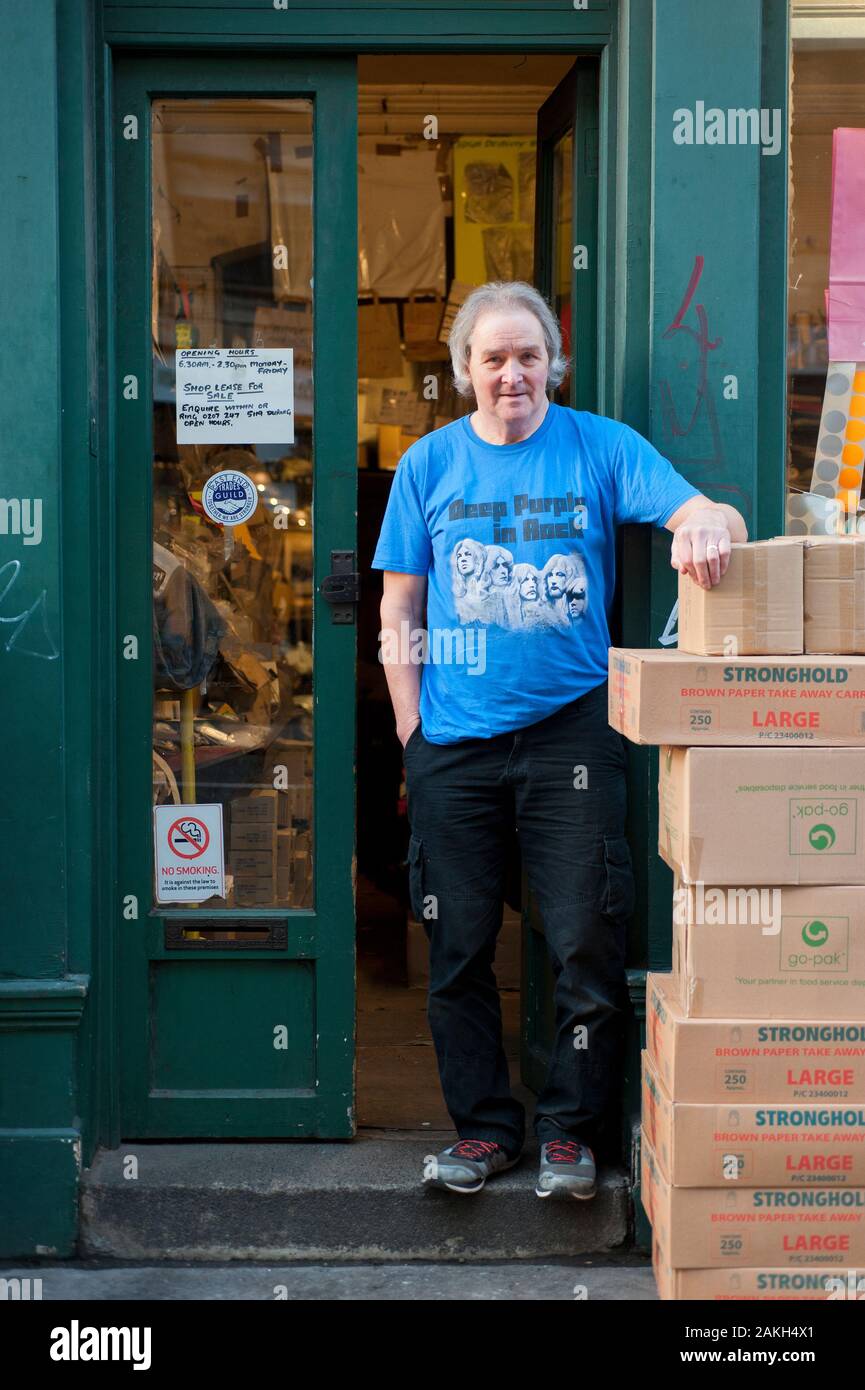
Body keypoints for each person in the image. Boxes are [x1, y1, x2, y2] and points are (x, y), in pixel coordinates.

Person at [372, 281, 746, 1199]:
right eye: (492, 358)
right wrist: (411, 732)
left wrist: (705, 522)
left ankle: (570, 1136)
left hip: (572, 731)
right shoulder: (426, 465)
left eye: (527, 355)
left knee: (584, 938)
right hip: (452, 745)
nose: (512, 374)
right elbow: (399, 606)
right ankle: (485, 1134)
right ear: (464, 372)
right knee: (457, 949)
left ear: (551, 364)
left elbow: (709, 513)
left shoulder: (598, 446)